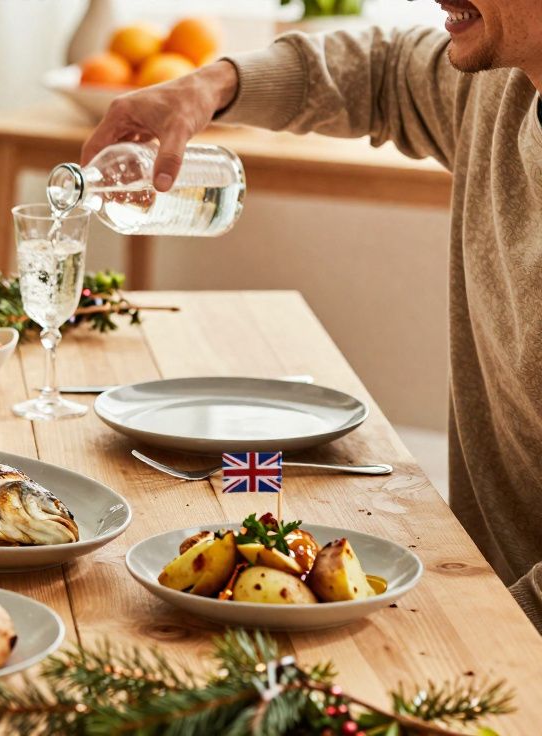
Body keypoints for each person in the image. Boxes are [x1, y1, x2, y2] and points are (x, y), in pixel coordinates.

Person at [83, 1, 542, 630]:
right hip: (478, 597)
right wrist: (208, 85)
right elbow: (380, 71)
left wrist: (475, 634)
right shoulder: (499, 86)